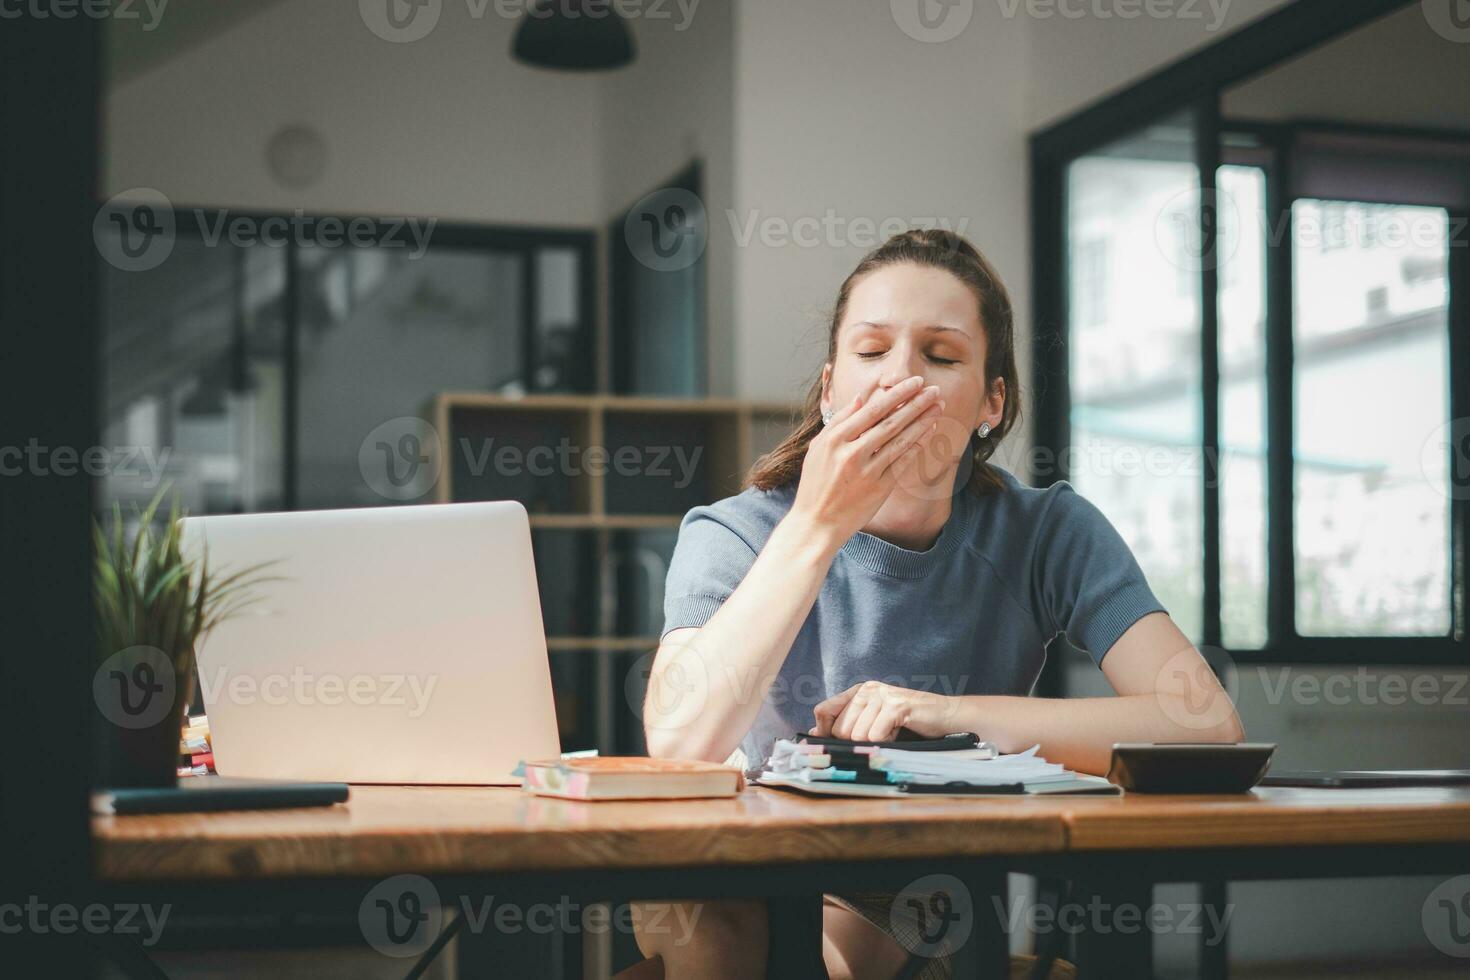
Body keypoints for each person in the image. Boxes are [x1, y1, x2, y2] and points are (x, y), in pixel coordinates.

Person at [625, 228, 1243, 980]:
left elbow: (1204, 724)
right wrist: (818, 526)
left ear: (992, 402)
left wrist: (953, 715)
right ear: (829, 391)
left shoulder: (1046, 531)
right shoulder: (733, 531)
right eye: (871, 350)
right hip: (740, 873)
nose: (898, 380)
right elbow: (679, 740)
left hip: (918, 892)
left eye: (941, 357)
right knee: (728, 930)